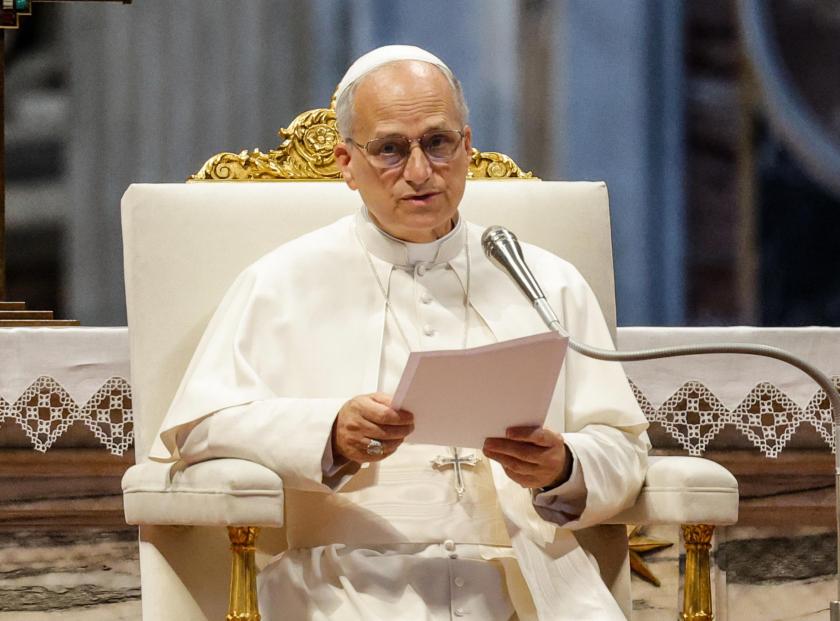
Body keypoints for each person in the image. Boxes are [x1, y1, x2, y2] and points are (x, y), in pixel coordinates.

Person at [150, 45, 650, 620]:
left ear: (467, 146)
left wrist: (563, 466)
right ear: (346, 162)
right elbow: (200, 429)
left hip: (529, 585)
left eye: (438, 142)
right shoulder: (280, 282)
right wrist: (327, 431)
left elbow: (623, 448)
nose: (419, 172)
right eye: (390, 148)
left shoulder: (545, 281)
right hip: (345, 587)